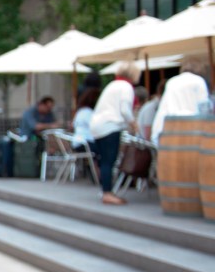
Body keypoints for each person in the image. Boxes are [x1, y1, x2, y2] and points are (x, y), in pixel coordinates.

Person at [90, 60, 141, 205]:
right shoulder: (126, 87)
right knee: (109, 161)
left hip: (97, 125)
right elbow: (125, 109)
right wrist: (133, 123)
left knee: (103, 161)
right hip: (110, 125)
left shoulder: (113, 85)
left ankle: (105, 190)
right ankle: (107, 193)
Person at [151, 56, 210, 143]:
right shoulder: (199, 81)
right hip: (191, 129)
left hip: (169, 129)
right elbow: (204, 109)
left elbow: (164, 108)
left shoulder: (172, 81)